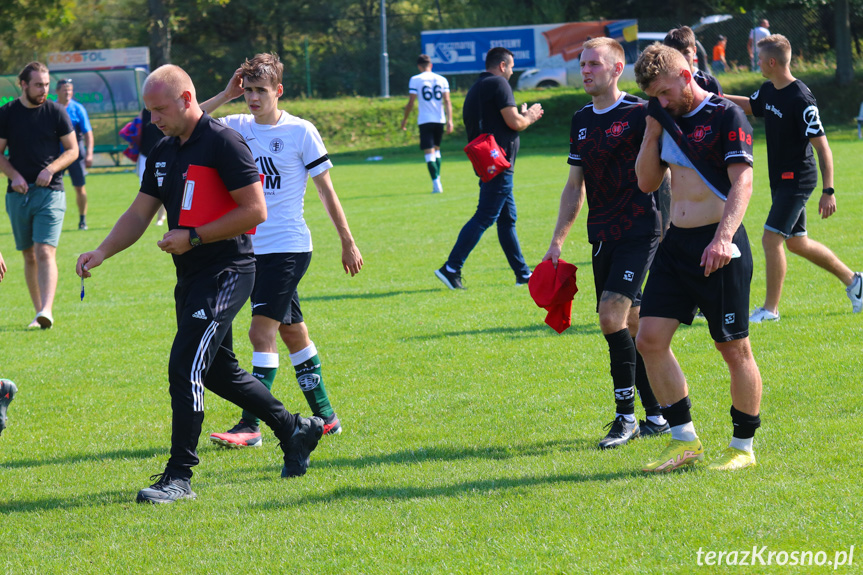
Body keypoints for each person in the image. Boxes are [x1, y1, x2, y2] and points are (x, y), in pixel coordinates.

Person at [76, 64, 325, 504]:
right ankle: (295, 428)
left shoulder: (225, 142)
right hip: (190, 276)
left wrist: (193, 236)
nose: (153, 119)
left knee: (185, 365)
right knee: (216, 371)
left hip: (228, 271)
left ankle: (179, 477)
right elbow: (139, 213)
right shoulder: (164, 149)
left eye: (160, 109)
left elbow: (254, 211)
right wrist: (101, 252)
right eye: (149, 110)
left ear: (187, 99)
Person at [200, 53, 363, 448]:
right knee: (292, 334)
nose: (253, 98)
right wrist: (225, 94)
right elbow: (186, 122)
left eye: (261, 91)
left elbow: (326, 190)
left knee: (260, 332)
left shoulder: (301, 131)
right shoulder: (235, 125)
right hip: (248, 249)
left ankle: (251, 425)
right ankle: (327, 417)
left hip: (288, 248)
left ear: (278, 91)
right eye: (248, 90)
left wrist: (346, 239)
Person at [633, 44, 763, 472]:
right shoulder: (662, 118)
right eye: (654, 96)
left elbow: (742, 181)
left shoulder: (727, 115)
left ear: (686, 76)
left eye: (666, 92)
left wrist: (723, 239)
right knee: (648, 339)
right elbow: (648, 182)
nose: (661, 101)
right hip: (676, 244)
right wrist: (653, 130)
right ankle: (683, 440)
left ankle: (742, 447)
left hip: (718, 246)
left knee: (733, 349)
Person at [542, 38, 668, 449]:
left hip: (641, 229)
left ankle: (625, 418)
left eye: (594, 64)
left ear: (617, 69)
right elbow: (574, 186)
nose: (586, 70)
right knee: (632, 325)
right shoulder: (580, 120)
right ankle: (657, 415)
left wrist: (671, 230)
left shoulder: (640, 112)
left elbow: (668, 173)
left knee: (610, 316)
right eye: (582, 64)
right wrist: (557, 241)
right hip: (602, 235)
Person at [725, 35, 862, 322]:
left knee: (771, 238)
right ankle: (856, 283)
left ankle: (770, 310)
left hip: (798, 179)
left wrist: (829, 190)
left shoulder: (801, 98)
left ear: (772, 62)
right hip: (780, 179)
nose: (757, 62)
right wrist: (713, 96)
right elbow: (750, 106)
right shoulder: (769, 89)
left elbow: (823, 146)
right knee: (797, 242)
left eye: (760, 59)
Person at [435, 47, 544, 290]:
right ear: (502, 65)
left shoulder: (477, 87)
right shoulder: (499, 83)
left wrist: (520, 116)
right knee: (485, 216)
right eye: (512, 66)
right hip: (499, 163)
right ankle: (451, 267)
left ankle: (522, 273)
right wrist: (530, 116)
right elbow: (514, 121)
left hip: (488, 162)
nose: (513, 71)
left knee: (507, 219)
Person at [0, 61, 78, 330]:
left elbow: (72, 150)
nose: (44, 89)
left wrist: (51, 169)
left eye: (46, 84)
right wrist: (14, 175)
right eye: (38, 85)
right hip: (18, 194)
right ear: (23, 84)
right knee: (29, 255)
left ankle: (47, 309)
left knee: (45, 250)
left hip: (51, 192)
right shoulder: (7, 113)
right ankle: (38, 313)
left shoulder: (56, 112)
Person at [400, 54, 454, 194]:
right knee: (436, 150)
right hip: (440, 119)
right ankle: (437, 180)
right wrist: (450, 120)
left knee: (429, 152)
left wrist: (405, 119)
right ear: (431, 65)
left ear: (419, 66)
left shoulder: (415, 80)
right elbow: (447, 101)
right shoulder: (442, 79)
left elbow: (411, 102)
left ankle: (436, 183)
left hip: (425, 120)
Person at [55, 78, 94, 230]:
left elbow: (88, 133)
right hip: (55, 154)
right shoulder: (51, 107)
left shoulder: (78, 108)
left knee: (79, 187)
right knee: (53, 187)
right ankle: (53, 219)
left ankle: (82, 220)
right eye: (64, 89)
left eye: (70, 89)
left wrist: (89, 153)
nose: (68, 92)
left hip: (75, 153)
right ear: (57, 91)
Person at [664, 27, 723, 95]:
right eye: (676, 53)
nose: (682, 57)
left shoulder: (709, 83)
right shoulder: (662, 84)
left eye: (686, 52)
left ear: (694, 51)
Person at [136, 108, 167, 225]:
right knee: (146, 187)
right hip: (145, 155)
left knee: (162, 186)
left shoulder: (165, 110)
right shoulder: (144, 112)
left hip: (162, 153)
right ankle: (145, 217)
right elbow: (136, 127)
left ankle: (160, 217)